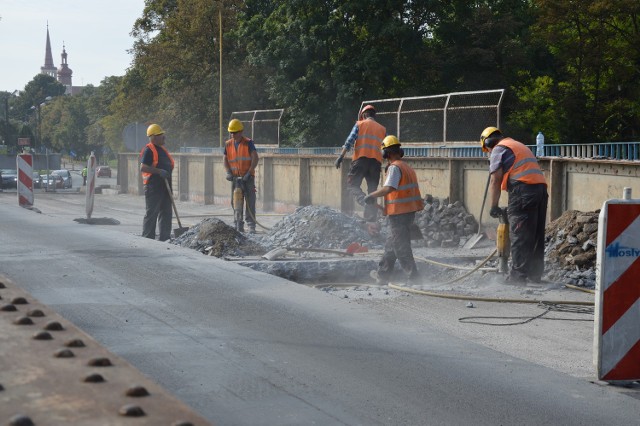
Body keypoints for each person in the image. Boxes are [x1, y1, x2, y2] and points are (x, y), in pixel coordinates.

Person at [480, 126, 548, 283]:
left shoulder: (499, 149)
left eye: (487, 149)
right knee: (535, 234)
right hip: (540, 190)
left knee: (520, 233)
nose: (489, 153)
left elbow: (495, 179)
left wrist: (493, 206)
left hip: (523, 191)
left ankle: (517, 277)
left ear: (488, 142)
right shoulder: (517, 145)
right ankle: (534, 275)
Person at [363, 136, 424, 285]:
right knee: (391, 246)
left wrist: (371, 195)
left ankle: (414, 278)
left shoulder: (394, 168)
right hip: (407, 212)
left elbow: (389, 188)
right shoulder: (406, 167)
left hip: (399, 214)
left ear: (386, 153)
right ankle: (382, 276)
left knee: (400, 246)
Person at [335, 104, 386, 224]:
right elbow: (387, 148)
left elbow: (349, 141)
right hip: (375, 164)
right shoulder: (382, 129)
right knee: (373, 190)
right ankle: (371, 220)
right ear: (374, 115)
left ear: (363, 115)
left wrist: (340, 157)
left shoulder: (359, 124)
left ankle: (365, 202)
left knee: (352, 185)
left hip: (360, 161)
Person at [140, 123, 174, 241]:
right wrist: (159, 171)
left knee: (166, 214)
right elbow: (143, 167)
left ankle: (165, 238)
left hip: (165, 187)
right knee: (152, 214)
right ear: (153, 137)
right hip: (154, 187)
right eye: (160, 135)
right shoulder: (149, 150)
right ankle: (148, 239)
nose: (163, 137)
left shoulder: (163, 150)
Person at [224, 118, 259, 233]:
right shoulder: (228, 144)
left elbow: (255, 157)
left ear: (240, 131)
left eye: (234, 132)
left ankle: (251, 225)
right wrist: (228, 172)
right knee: (235, 201)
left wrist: (249, 172)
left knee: (250, 201)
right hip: (235, 178)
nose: (232, 134)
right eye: (231, 132)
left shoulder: (248, 142)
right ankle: (238, 223)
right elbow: (225, 159)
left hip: (247, 177)